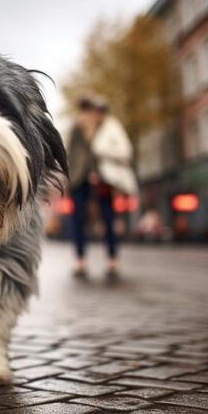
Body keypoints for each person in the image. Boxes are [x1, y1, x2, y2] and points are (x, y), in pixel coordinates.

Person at [66, 97, 137, 280]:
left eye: (92, 110)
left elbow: (122, 151)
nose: (90, 113)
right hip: (79, 180)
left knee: (108, 218)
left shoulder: (107, 128)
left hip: (103, 180)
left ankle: (112, 259)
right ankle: (80, 260)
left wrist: (98, 165)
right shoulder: (76, 129)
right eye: (86, 109)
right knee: (79, 220)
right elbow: (71, 155)